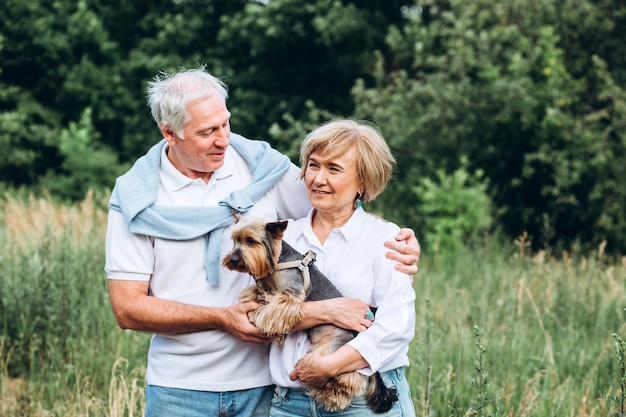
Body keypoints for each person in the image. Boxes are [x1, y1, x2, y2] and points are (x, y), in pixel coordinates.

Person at [104, 66, 420, 417]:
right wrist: (222, 318)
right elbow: (127, 308)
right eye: (207, 132)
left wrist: (397, 239)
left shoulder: (259, 168)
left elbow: (336, 203)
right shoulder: (137, 199)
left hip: (264, 390)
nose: (223, 139)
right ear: (170, 133)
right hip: (180, 388)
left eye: (225, 124)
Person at [269, 119, 417, 416]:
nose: (318, 178)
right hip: (290, 405)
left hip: (364, 401)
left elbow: (396, 326)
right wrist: (325, 312)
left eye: (334, 169)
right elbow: (260, 317)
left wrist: (329, 366)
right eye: (313, 165)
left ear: (363, 181)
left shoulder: (385, 239)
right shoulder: (283, 237)